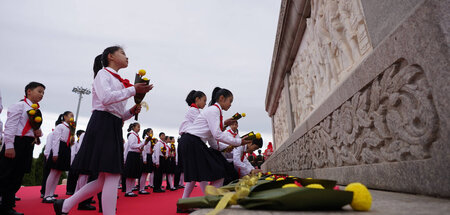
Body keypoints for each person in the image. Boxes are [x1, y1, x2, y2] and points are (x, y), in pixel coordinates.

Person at [53, 46, 153, 215]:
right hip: (102, 124)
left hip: (112, 125)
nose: (127, 57)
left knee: (102, 179)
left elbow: (118, 114)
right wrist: (133, 89)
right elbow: (106, 99)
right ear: (110, 56)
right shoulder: (103, 74)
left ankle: (64, 205)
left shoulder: (120, 81)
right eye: (123, 53)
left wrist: (131, 112)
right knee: (112, 175)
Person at [178, 87, 252, 202]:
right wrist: (239, 142)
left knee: (197, 174)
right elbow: (217, 134)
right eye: (230, 101)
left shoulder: (214, 111)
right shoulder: (214, 110)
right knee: (217, 170)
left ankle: (185, 203)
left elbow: (212, 139)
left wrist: (223, 148)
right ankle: (211, 200)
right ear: (222, 98)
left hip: (192, 142)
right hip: (192, 142)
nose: (230, 104)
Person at [0, 82, 45, 215]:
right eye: (39, 91)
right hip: (16, 142)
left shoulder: (36, 110)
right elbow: (10, 127)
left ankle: (8, 204)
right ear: (29, 91)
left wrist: (37, 134)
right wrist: (9, 146)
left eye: (43, 93)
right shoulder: (19, 106)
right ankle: (6, 207)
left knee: (18, 176)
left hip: (27, 144)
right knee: (7, 175)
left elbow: (34, 128)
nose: (41, 94)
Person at [123, 123, 145, 197]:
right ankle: (128, 191)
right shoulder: (132, 135)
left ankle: (130, 189)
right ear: (133, 127)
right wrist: (141, 144)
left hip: (136, 155)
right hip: (132, 155)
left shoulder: (136, 136)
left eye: (139, 127)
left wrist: (141, 147)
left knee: (133, 174)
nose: (139, 128)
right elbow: (132, 145)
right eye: (138, 127)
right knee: (130, 174)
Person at [66, 130, 85, 195]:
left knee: (77, 177)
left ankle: (75, 190)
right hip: (74, 160)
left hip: (78, 160)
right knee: (72, 177)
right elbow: (72, 154)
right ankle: (70, 190)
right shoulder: (74, 143)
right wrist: (72, 164)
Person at [139, 128, 153, 194]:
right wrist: (144, 159)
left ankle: (143, 187)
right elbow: (144, 149)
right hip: (146, 156)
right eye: (151, 132)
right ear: (147, 133)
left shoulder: (150, 140)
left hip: (149, 156)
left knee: (146, 173)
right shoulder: (146, 139)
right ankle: (141, 189)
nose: (152, 133)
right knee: (144, 174)